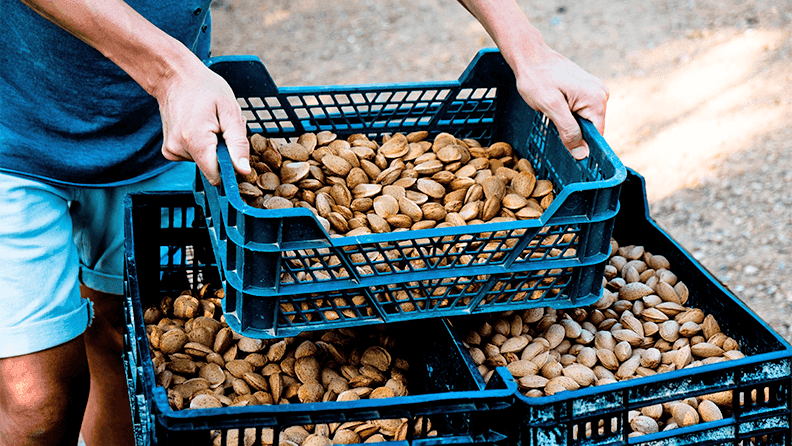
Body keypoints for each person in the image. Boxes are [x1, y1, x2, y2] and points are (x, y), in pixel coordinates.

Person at [0, 0, 608, 445]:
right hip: (14, 132)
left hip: (165, 132)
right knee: (38, 400)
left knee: (120, 334)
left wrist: (527, 46)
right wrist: (169, 70)